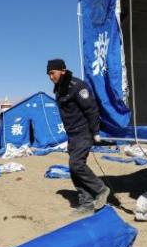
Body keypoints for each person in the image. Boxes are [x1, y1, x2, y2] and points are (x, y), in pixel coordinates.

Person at [47, 58, 110, 215]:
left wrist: (95, 132)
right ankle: (86, 203)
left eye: (52, 73)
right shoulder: (58, 89)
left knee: (77, 165)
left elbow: (91, 109)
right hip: (72, 134)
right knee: (73, 170)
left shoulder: (78, 86)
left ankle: (101, 189)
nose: (50, 77)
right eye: (48, 74)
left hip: (83, 132)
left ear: (62, 70)